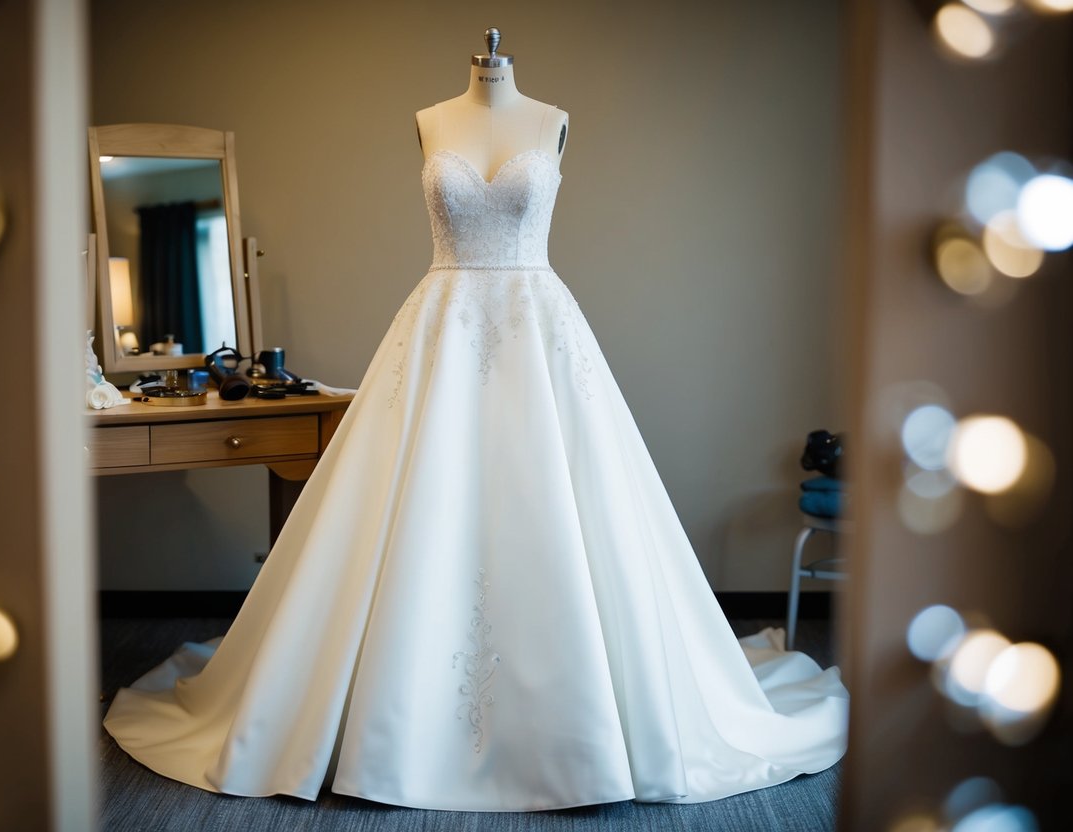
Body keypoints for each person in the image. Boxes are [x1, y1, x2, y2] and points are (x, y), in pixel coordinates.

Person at [104, 30, 849, 811]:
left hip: (538, 326)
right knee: (419, 504)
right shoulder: (429, 119)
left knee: (557, 504)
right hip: (441, 323)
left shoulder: (553, 118)